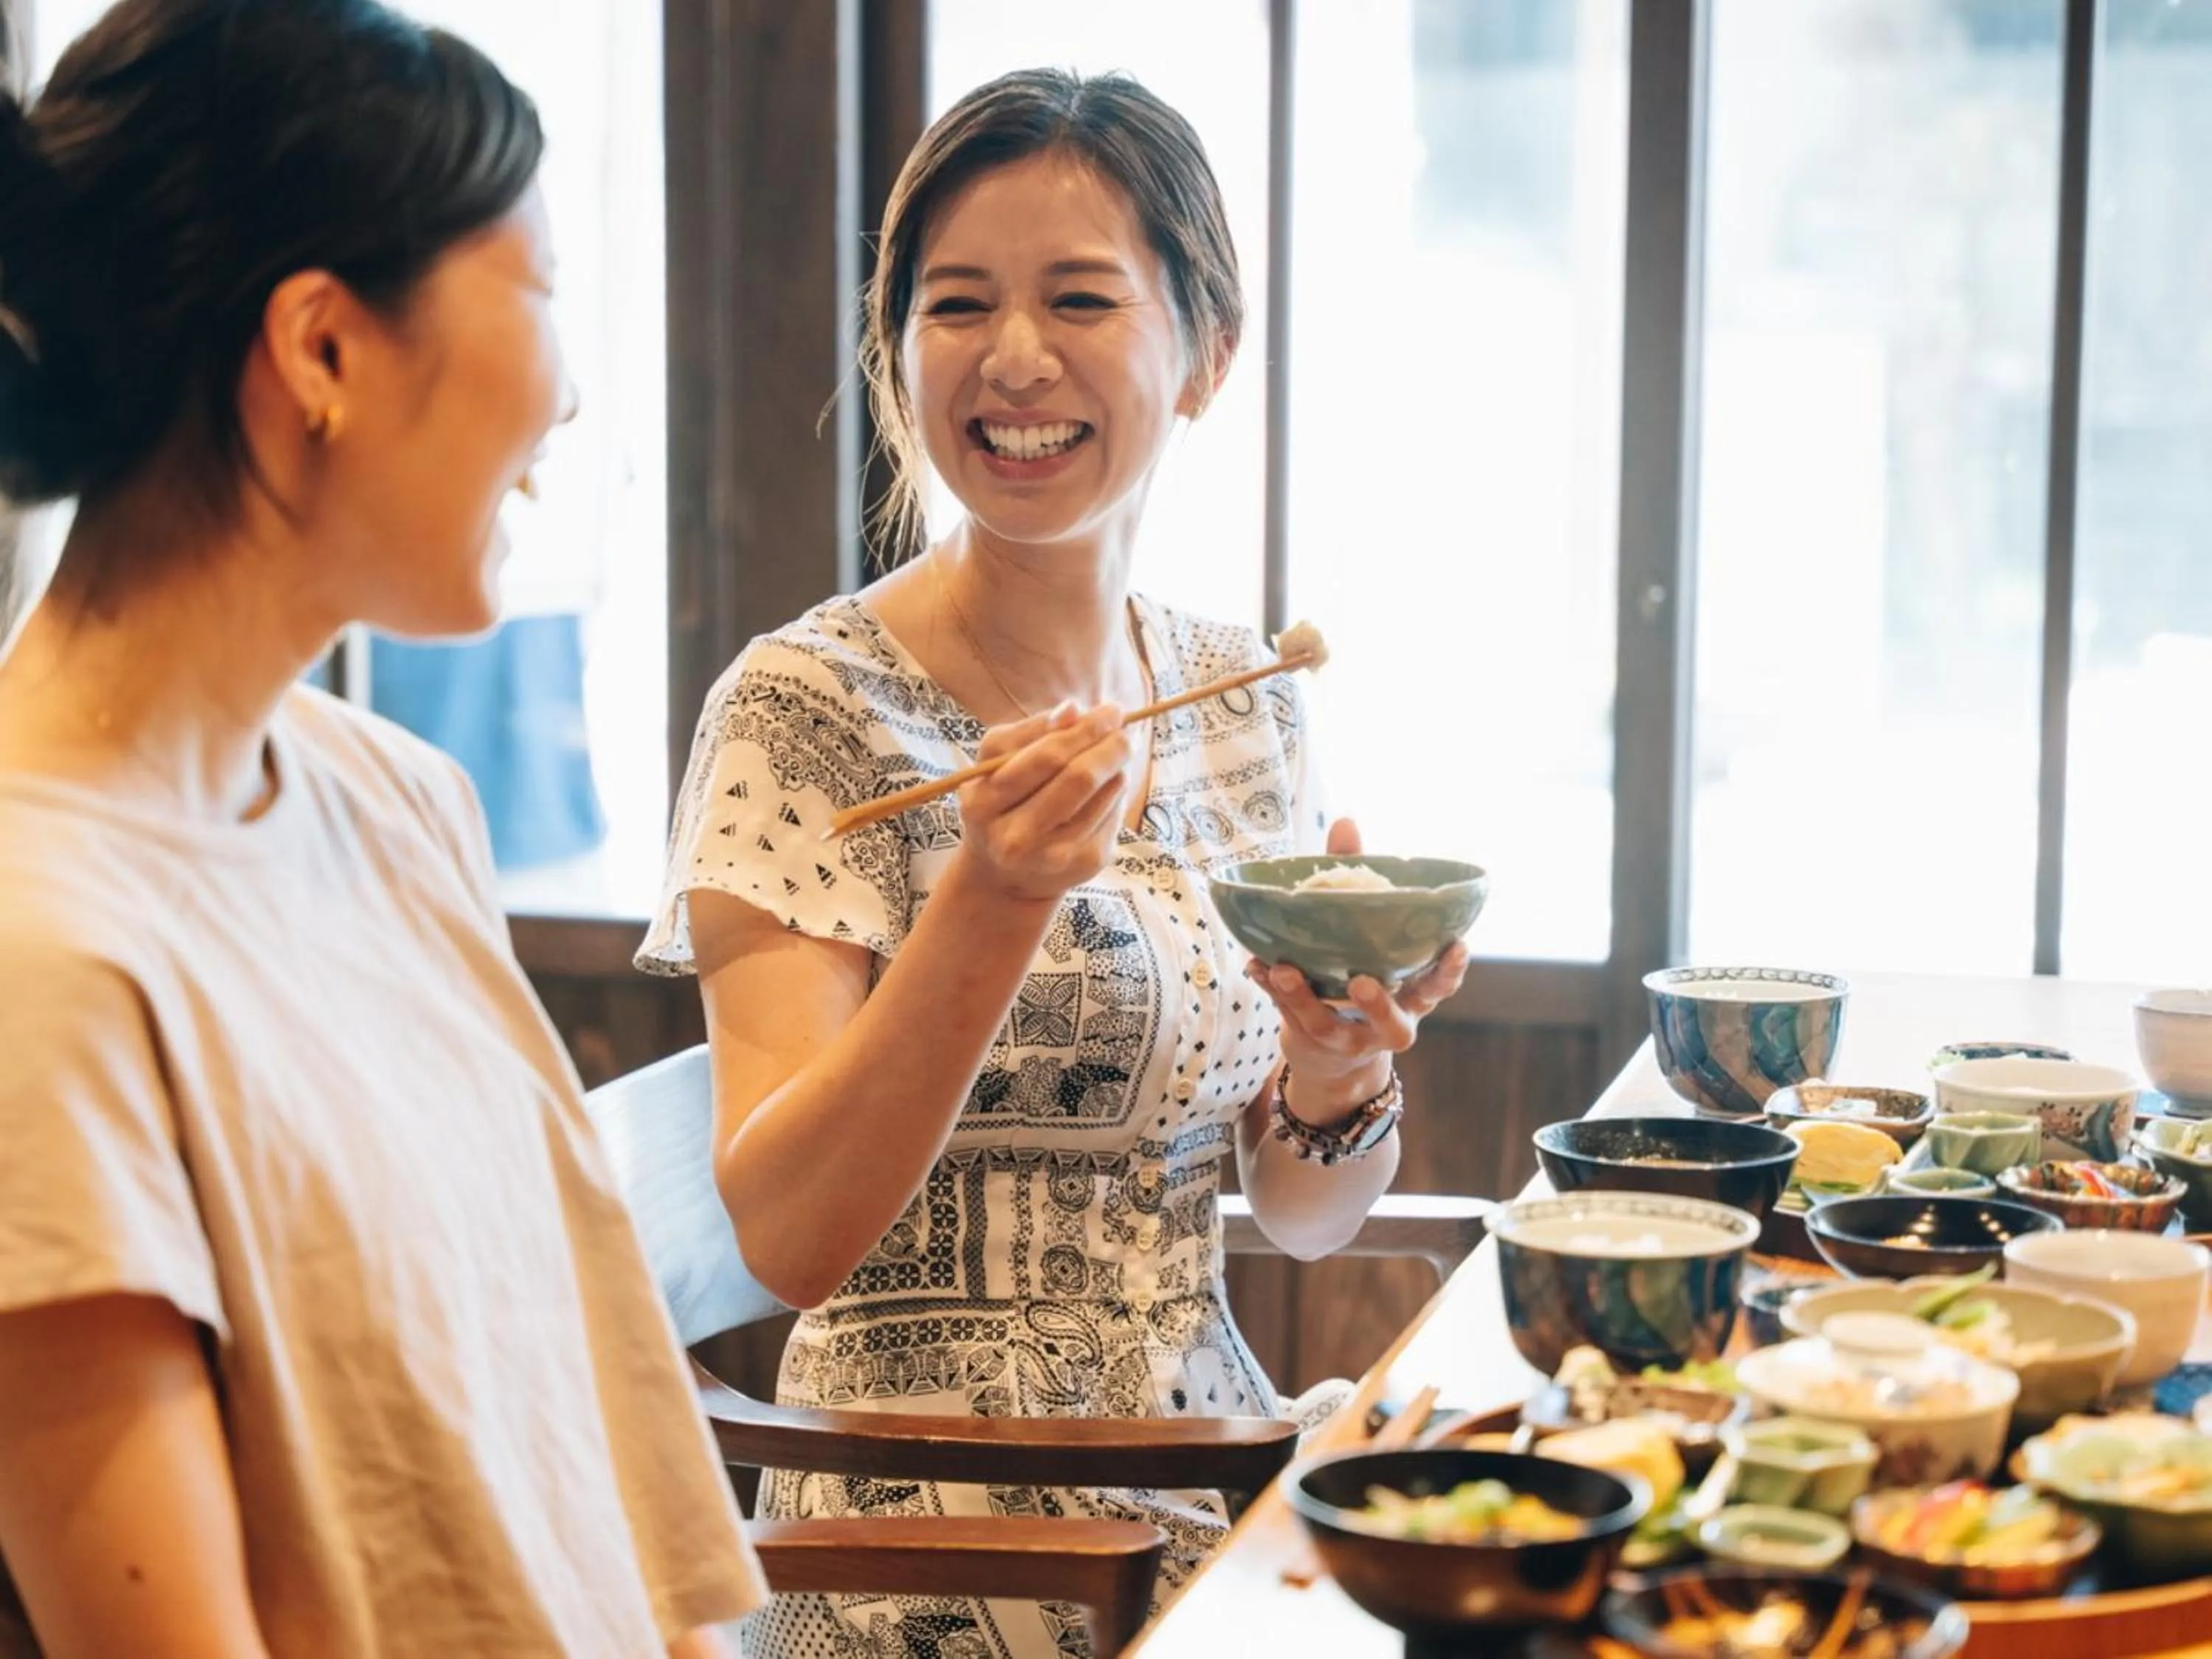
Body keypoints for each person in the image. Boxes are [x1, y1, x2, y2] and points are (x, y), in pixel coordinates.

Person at [641, 67, 1471, 1658]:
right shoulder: (802, 710)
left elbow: (1302, 1216)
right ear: (899, 354)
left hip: (1199, 1485)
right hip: (923, 1536)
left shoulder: (1244, 701)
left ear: (1208, 352)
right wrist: (993, 898)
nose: (1014, 357)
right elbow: (788, 1237)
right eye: (957, 305)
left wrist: (1338, 1065)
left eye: (1080, 298)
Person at [0, 2, 763, 1654]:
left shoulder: (402, 801)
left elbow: (587, 1453)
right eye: (539, 290)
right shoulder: (39, 952)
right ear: (324, 351)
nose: (569, 396)